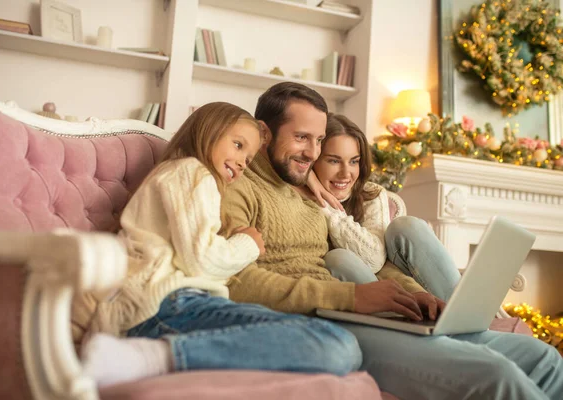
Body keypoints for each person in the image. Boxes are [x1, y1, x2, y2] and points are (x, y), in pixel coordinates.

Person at [221, 82, 563, 400]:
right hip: (317, 323)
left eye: (319, 140)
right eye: (301, 138)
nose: (312, 152)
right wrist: (352, 296)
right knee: (496, 374)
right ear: (264, 133)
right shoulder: (238, 185)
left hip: (349, 310)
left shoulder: (308, 192)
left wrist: (414, 295)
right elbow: (233, 280)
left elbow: (370, 264)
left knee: (543, 357)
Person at [78, 102, 362, 387]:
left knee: (335, 342)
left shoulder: (192, 180)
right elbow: (202, 260)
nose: (241, 162)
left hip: (184, 303)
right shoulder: (191, 172)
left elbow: (200, 260)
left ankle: (151, 356)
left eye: (249, 159)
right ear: (208, 131)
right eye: (237, 145)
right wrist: (247, 244)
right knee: (338, 344)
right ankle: (148, 357)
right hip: (166, 304)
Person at [305, 112, 462, 320]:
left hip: (388, 282)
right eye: (334, 161)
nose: (346, 173)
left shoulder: (371, 195)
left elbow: (375, 261)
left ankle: (461, 312)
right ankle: (398, 326)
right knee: (338, 258)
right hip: (354, 299)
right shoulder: (299, 199)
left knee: (407, 226)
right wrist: (310, 184)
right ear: (314, 160)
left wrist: (326, 204)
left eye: (354, 161)